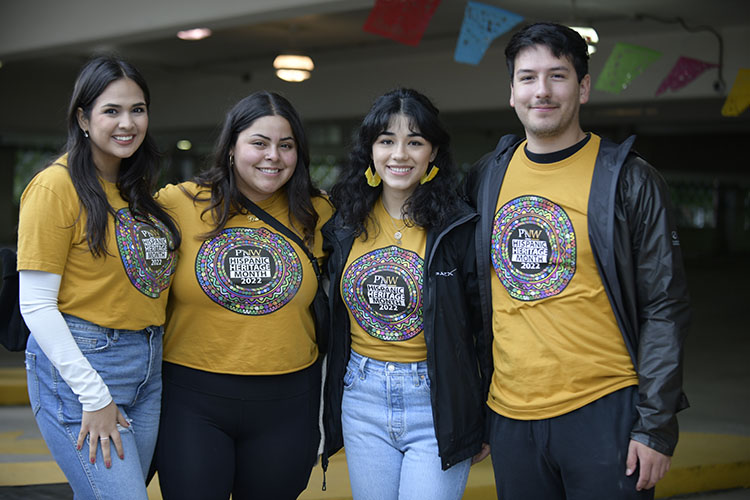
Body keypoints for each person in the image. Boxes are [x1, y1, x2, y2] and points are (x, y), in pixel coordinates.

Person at [463, 22, 691, 499]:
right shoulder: (488, 176)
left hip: (605, 409)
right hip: (510, 414)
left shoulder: (629, 179)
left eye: (557, 76)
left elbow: (664, 306)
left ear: (583, 87)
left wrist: (655, 427)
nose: (541, 91)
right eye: (527, 77)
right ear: (512, 92)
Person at [154, 91, 333, 500]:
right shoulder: (178, 203)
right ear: (232, 148)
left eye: (285, 146)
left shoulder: (319, 213)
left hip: (288, 401)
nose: (273, 156)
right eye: (259, 142)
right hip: (192, 400)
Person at [18, 55, 180, 500]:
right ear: (83, 118)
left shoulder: (136, 190)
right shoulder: (55, 187)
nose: (127, 122)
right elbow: (35, 305)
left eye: (138, 109)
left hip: (147, 364)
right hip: (86, 366)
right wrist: (95, 396)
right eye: (112, 111)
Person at [322, 88, 491, 500]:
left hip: (437, 400)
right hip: (361, 395)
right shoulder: (342, 220)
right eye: (386, 141)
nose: (400, 154)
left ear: (432, 152)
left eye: (414, 141)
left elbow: (485, 325)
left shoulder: (458, 226)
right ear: (371, 151)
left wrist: (483, 413)